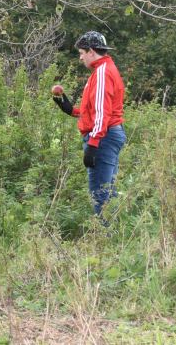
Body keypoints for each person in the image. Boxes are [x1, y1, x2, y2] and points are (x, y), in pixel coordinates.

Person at [52, 31, 126, 217]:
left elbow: (103, 112)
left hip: (103, 138)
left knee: (99, 193)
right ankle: (116, 236)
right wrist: (71, 110)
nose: (80, 57)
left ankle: (105, 238)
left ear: (91, 51)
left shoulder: (102, 73)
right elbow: (96, 110)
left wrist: (93, 144)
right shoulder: (104, 70)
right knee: (107, 190)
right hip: (108, 135)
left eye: (82, 53)